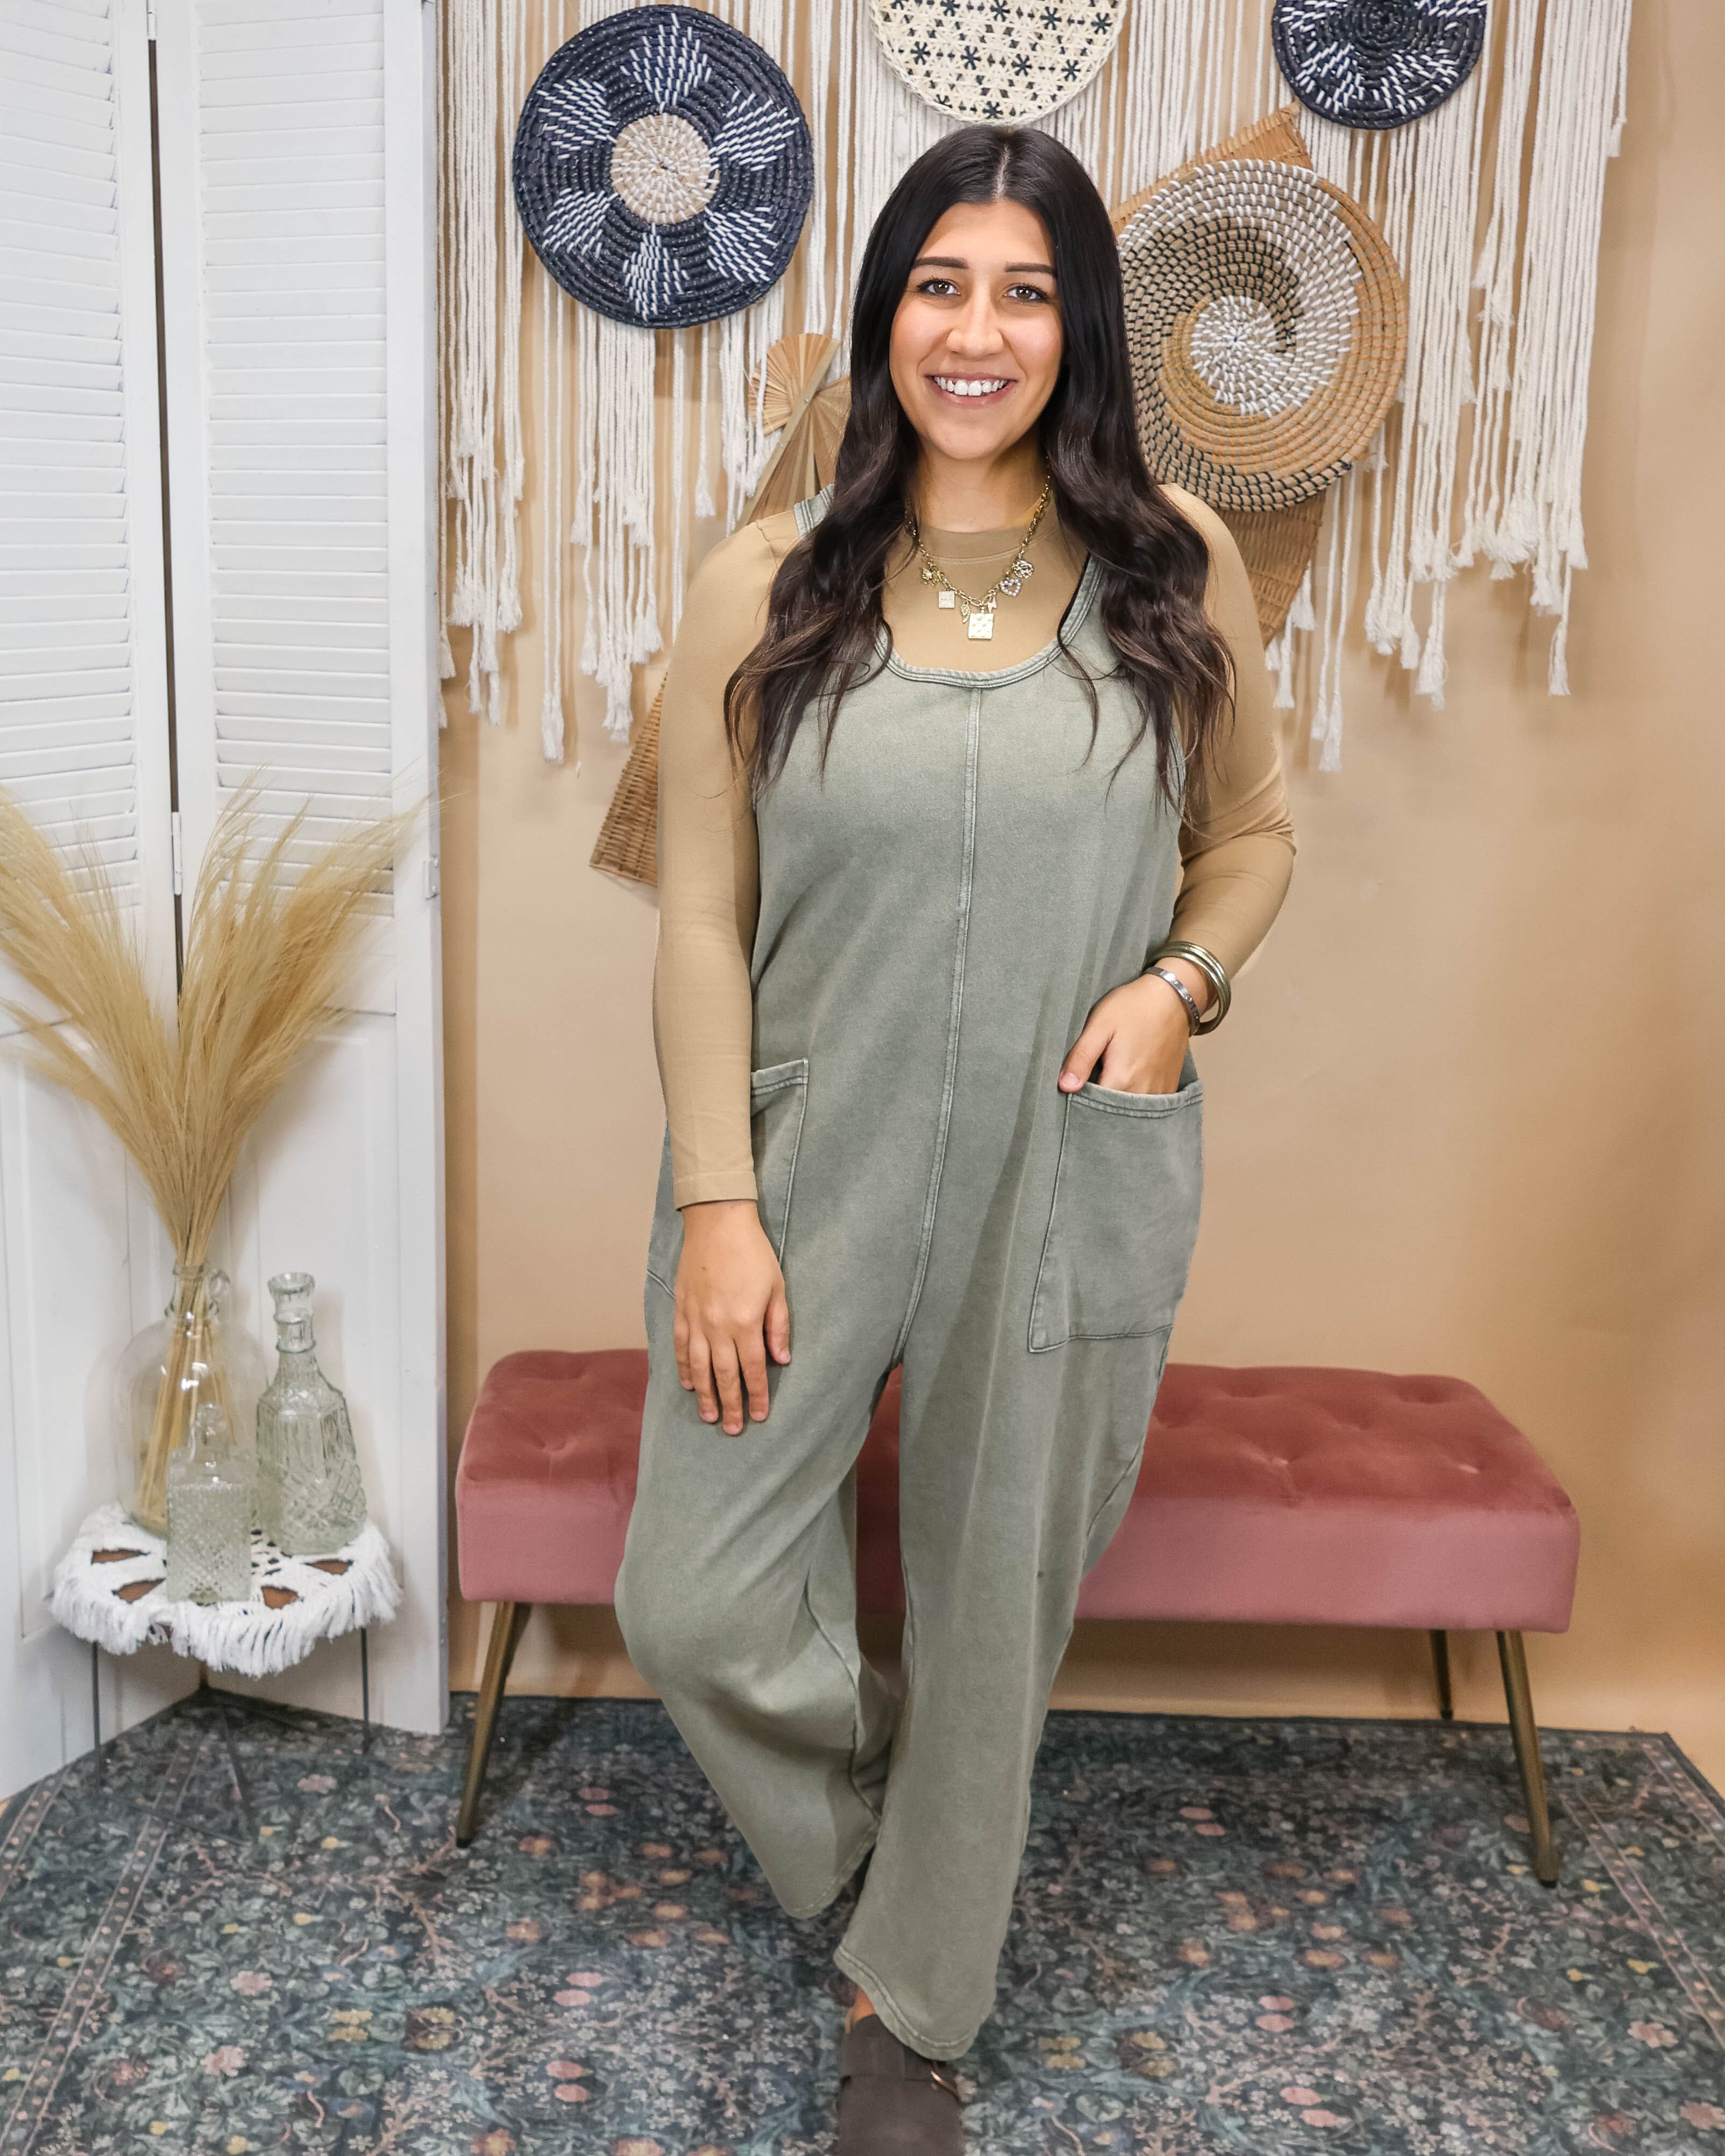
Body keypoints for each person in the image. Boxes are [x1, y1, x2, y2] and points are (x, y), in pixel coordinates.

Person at [615, 123, 1295, 2154]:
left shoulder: (1175, 563)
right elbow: (698, 920)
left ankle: (910, 2013)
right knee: (696, 1598)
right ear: (885, 311)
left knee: (998, 1596)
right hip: (801, 1150)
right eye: (937, 284)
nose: (975, 332)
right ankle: (907, 1822)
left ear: (1079, 327)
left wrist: (1180, 985)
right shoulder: (764, 581)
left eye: (1023, 291)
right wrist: (719, 1202)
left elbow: (1255, 836)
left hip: (1066, 1154)